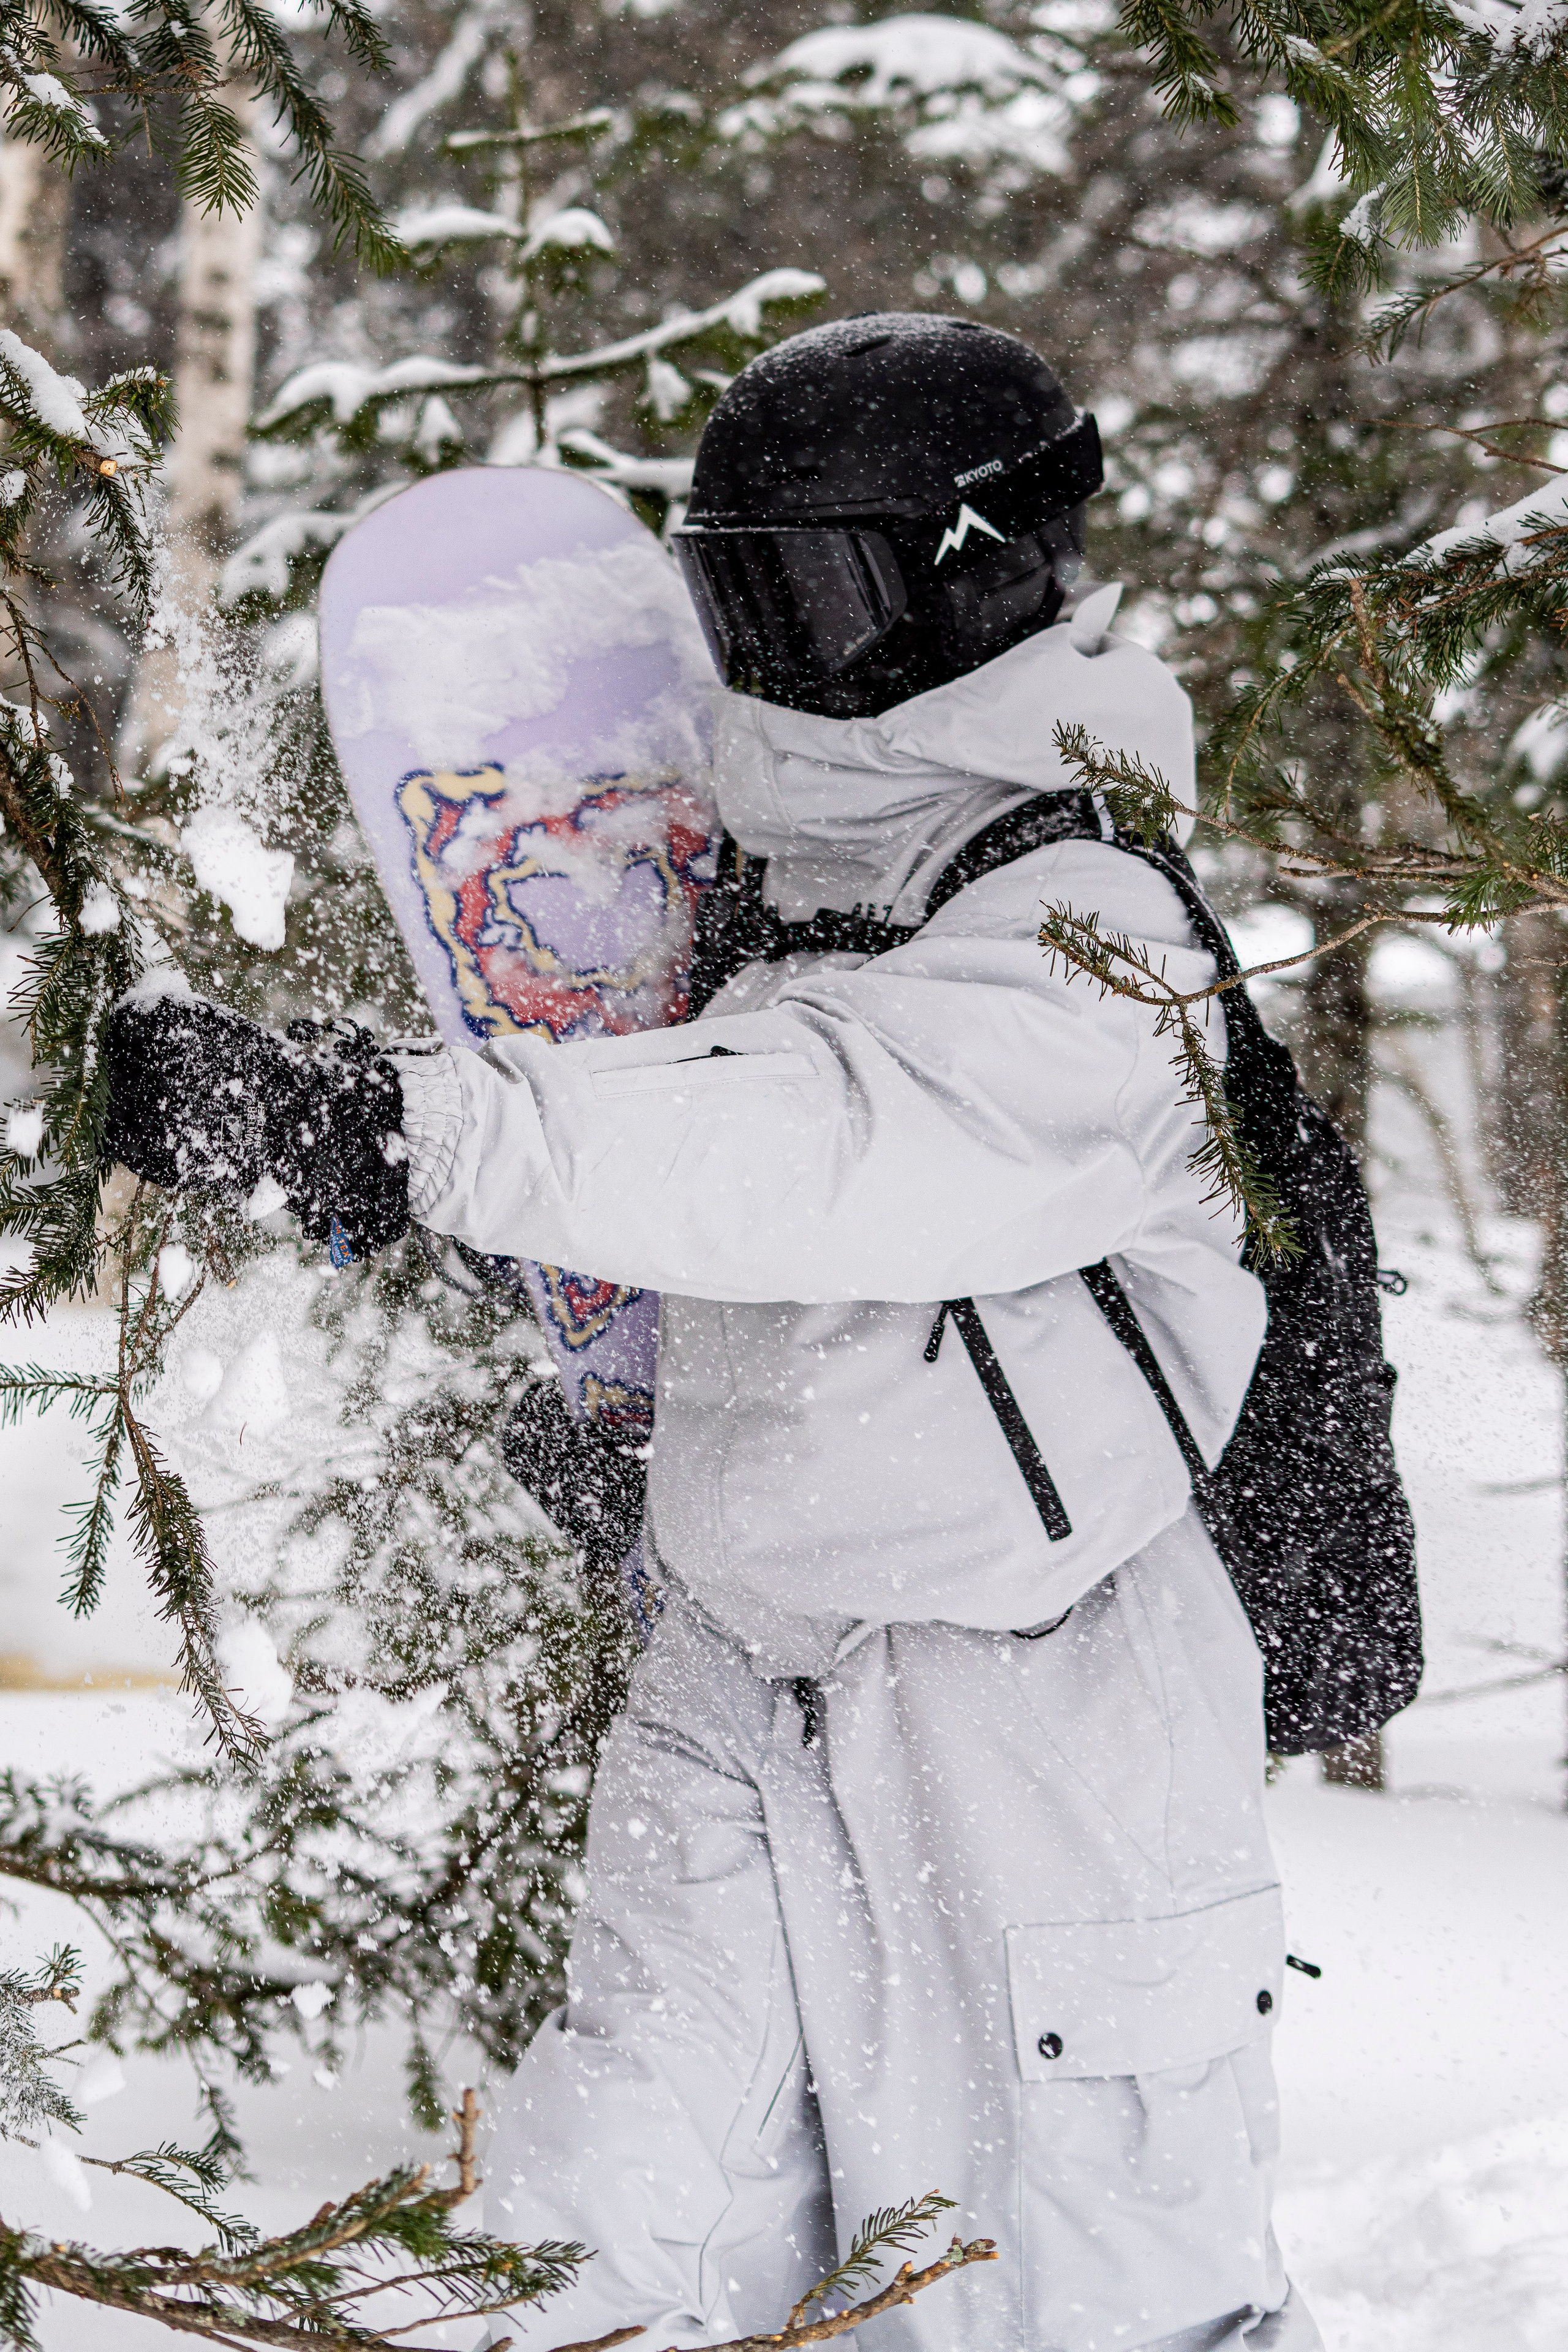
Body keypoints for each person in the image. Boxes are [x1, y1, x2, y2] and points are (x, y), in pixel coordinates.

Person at [104, 315, 1321, 2352]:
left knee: (1071, 2295)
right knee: (611, 2231)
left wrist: (385, 1123)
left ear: (975, 573)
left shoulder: (1098, 933)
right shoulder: (779, 884)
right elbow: (684, 1176)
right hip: (735, 1648)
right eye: (739, 595)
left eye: (820, 591)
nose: (780, 649)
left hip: (1034, 1707)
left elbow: (818, 1141)